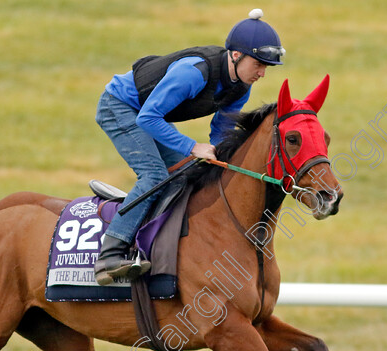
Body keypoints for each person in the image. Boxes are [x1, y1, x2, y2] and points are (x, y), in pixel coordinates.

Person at [93, 9, 285, 286]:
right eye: (258, 64)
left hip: (147, 114)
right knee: (155, 176)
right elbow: (147, 118)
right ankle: (109, 257)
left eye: (267, 67)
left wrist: (221, 159)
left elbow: (221, 130)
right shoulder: (193, 73)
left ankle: (148, 246)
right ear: (235, 55)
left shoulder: (241, 87)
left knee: (182, 177)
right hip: (119, 107)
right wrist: (193, 147)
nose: (262, 73)